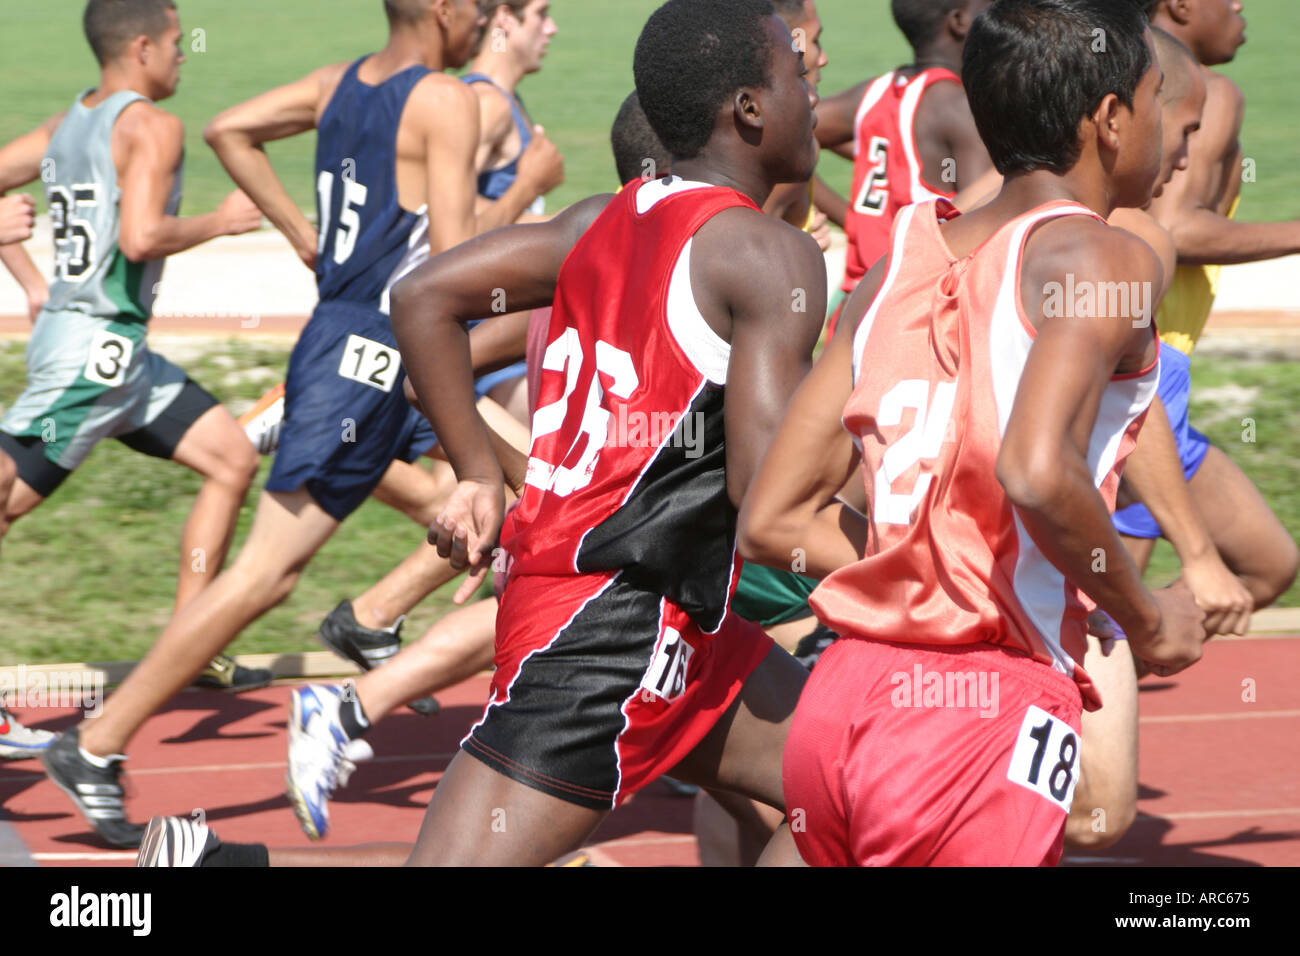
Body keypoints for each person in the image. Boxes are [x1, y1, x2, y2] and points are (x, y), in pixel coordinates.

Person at [37, 0, 518, 849]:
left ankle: (381, 641)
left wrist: (308, 238)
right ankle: (97, 742)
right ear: (444, 8)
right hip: (375, 353)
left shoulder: (338, 83)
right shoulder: (444, 99)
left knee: (462, 509)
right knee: (264, 573)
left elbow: (231, 129)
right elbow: (451, 271)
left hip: (345, 338)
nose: (487, 18)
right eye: (481, 4)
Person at [738, 0, 1205, 866]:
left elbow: (769, 519)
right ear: (1109, 120)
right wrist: (1146, 619)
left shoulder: (896, 265)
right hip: (974, 715)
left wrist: (923, 568)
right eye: (1152, 98)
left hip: (839, 702)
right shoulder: (1106, 257)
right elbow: (1035, 467)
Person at [391, 0, 821, 866]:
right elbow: (771, 494)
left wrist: (479, 473)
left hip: (672, 622)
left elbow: (423, 298)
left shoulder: (598, 222)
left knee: (857, 787)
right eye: (797, 76)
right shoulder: (766, 255)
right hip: (606, 632)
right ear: (748, 108)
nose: (815, 95)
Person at [0, 0, 267, 718]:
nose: (186, 56)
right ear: (142, 47)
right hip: (96, 356)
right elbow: (143, 237)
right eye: (179, 44)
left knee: (231, 459)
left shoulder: (65, 124)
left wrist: (31, 283)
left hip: (112, 354)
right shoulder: (153, 126)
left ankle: (191, 643)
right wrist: (223, 221)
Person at [1121, 0, 1298, 613]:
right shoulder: (1207, 90)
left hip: (1141, 357)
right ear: (1182, 5)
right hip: (1139, 363)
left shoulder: (1102, 72)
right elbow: (1178, 231)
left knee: (1269, 566)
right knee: (1109, 618)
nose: (1243, 9)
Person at [815, 0, 993, 333]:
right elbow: (985, 223)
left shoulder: (875, 92)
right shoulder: (957, 108)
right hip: (914, 315)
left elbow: (793, 134)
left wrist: (852, 219)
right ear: (959, 21)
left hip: (855, 307)